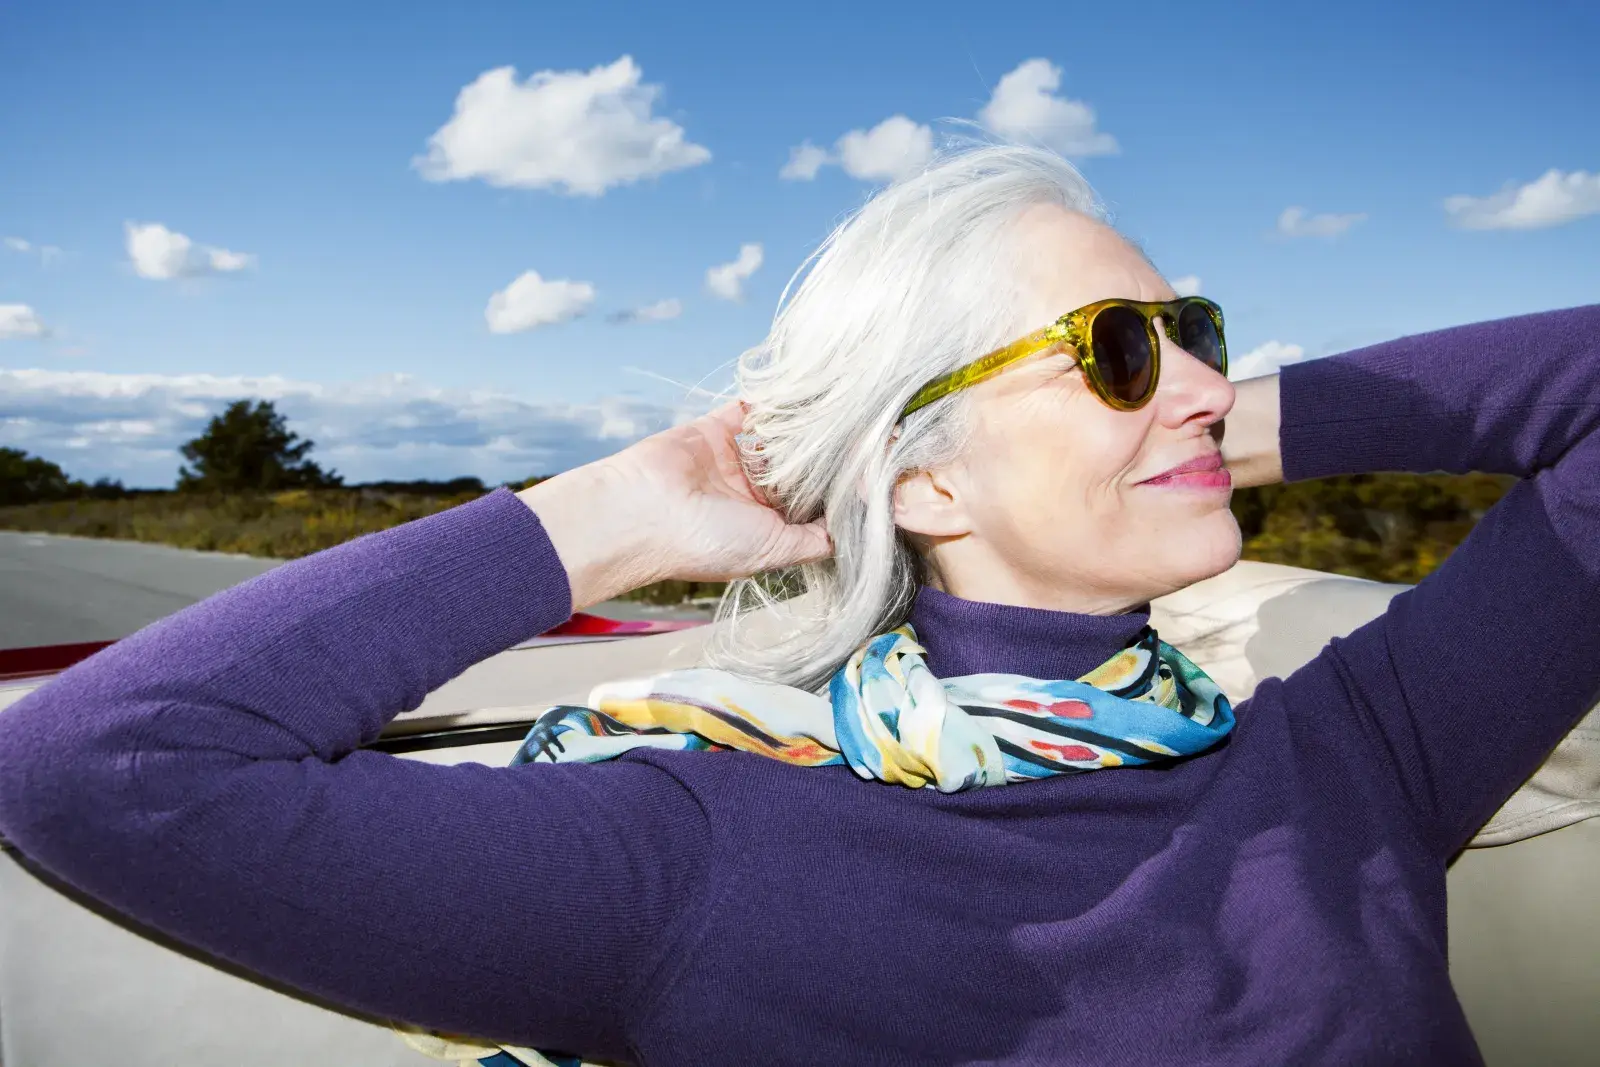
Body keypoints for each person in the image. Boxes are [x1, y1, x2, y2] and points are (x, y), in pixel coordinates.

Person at [1, 144, 1596, 1066]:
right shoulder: (709, 858)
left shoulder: (1358, 757)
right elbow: (104, 766)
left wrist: (1214, 419)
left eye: (1198, 330)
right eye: (1116, 343)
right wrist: (624, 515)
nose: (1185, 376)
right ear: (926, 483)